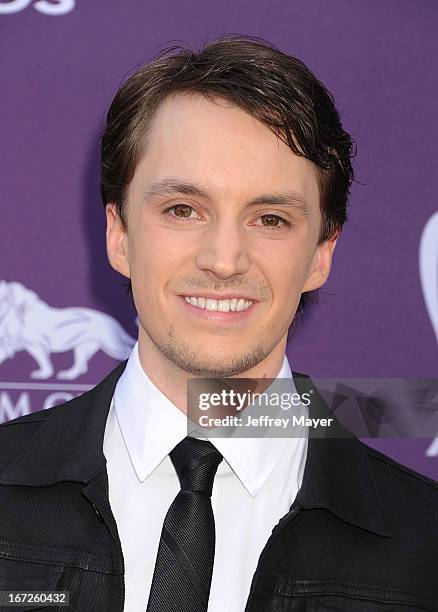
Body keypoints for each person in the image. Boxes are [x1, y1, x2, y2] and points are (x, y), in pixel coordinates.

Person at [0, 35, 436, 612]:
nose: (224, 260)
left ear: (322, 254)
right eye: (183, 210)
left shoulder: (423, 549)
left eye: (271, 218)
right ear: (119, 235)